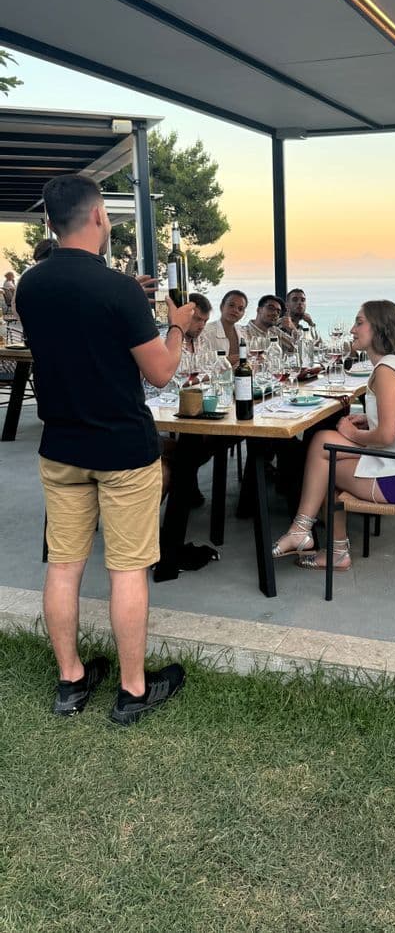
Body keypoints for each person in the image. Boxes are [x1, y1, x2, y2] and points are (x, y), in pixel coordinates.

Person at [16, 173, 194, 725]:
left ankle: (70, 681)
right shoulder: (117, 289)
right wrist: (177, 327)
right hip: (122, 446)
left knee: (64, 567)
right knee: (126, 570)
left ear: (49, 222)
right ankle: (132, 690)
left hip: (61, 443)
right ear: (100, 217)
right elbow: (162, 373)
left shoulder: (29, 285)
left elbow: (73, 340)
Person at [272, 300, 395, 572]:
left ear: (380, 329)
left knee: (323, 458)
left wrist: (350, 432)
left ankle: (306, 533)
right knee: (323, 445)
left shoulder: (385, 372)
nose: (352, 329)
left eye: (359, 322)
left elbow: (386, 434)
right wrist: (367, 419)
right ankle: (314, 539)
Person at [202, 288, 248, 365]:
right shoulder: (206, 332)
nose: (235, 310)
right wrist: (227, 361)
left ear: (243, 313)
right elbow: (201, 365)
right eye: (231, 305)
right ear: (222, 307)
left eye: (240, 309)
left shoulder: (244, 333)